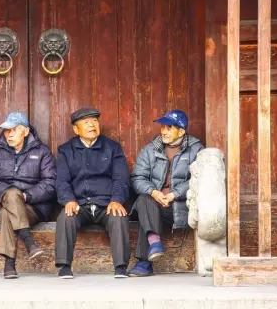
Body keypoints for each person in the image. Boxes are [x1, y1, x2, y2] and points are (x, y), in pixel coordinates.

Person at [55, 108, 131, 279]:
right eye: (86, 122)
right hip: (79, 204)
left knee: (119, 216)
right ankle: (64, 266)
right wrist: (68, 200)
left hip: (106, 203)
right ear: (76, 129)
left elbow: (121, 179)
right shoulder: (66, 151)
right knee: (66, 217)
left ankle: (120, 266)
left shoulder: (112, 148)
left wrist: (116, 199)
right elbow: (61, 181)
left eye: (95, 121)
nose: (91, 125)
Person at [0, 112, 56, 279]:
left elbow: (50, 184)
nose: (10, 134)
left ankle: (9, 264)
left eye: (14, 130)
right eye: (7, 130)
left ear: (26, 131)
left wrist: (26, 196)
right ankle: (28, 241)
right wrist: (11, 193)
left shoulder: (42, 152)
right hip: (2, 200)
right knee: (11, 196)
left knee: (6, 213)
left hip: (34, 206)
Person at [129, 109, 204, 277]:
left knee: (146, 214)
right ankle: (155, 243)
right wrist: (154, 192)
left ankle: (144, 263)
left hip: (180, 206)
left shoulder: (196, 149)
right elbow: (137, 177)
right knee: (144, 201)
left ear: (182, 131)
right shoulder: (151, 149)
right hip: (155, 203)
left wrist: (174, 194)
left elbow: (198, 179)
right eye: (163, 127)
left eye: (169, 127)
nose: (164, 131)